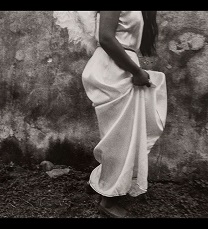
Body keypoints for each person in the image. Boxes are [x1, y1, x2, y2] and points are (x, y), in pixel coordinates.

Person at [82, 11, 167, 218]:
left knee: (120, 136)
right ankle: (108, 201)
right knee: (121, 139)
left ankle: (103, 182)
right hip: (113, 70)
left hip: (120, 68)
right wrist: (136, 72)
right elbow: (106, 38)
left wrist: (135, 70)